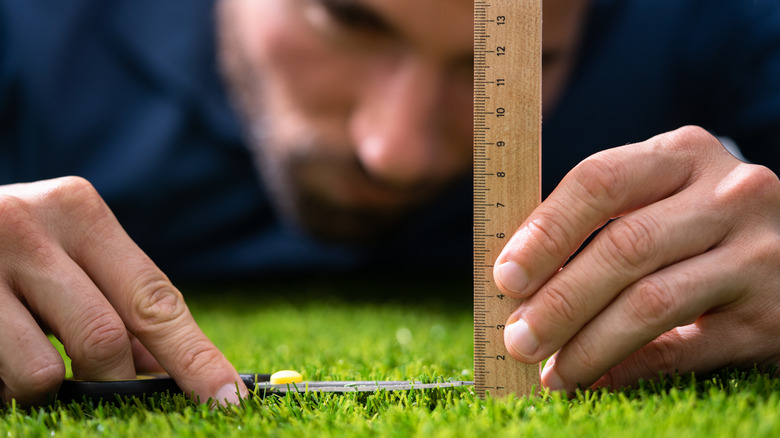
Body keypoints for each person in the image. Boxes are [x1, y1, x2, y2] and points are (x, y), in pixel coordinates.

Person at [0, 0, 779, 406]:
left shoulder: (698, 22)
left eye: (502, 65)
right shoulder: (28, 30)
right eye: (349, 17)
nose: (394, 152)